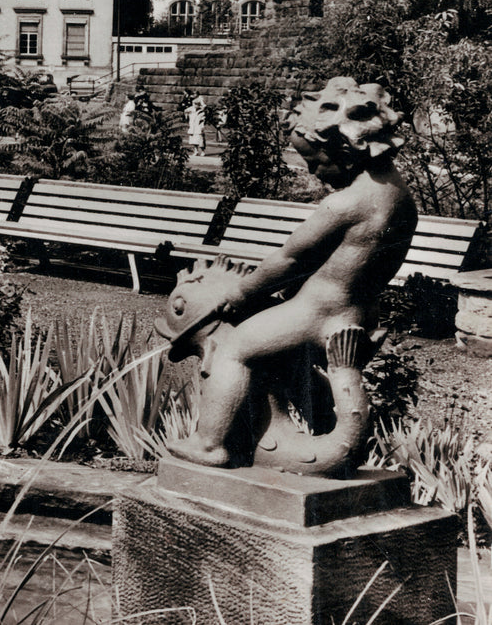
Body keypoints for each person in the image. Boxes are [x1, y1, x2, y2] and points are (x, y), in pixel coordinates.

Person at [157, 78, 417, 469]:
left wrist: (243, 293)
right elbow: (349, 260)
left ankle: (210, 445)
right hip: (359, 313)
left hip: (318, 312)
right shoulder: (400, 198)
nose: (313, 170)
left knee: (235, 350)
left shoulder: (346, 202)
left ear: (343, 147)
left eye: (314, 159)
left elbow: (291, 260)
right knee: (284, 366)